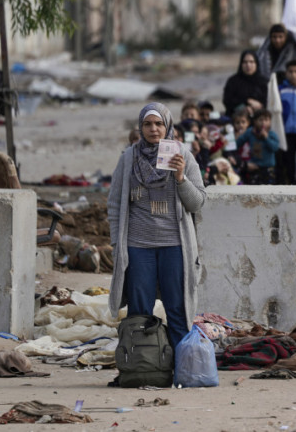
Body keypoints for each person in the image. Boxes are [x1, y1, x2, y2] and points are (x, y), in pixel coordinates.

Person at [107, 103, 207, 353]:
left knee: (177, 307)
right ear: (140, 128)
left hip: (175, 245)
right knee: (140, 310)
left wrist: (180, 177)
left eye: (159, 124)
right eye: (148, 124)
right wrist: (117, 245)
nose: (154, 129)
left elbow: (197, 203)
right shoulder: (128, 158)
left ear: (168, 126)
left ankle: (182, 367)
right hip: (138, 245)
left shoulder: (183, 155)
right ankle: (142, 365)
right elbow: (114, 205)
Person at [236, 109, 280, 185]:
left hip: (268, 169)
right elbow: (237, 143)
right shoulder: (250, 132)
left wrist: (266, 138)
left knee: (269, 190)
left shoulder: (272, 134)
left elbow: (275, 148)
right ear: (255, 121)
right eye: (260, 120)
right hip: (254, 167)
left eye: (266, 120)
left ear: (270, 122)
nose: (263, 123)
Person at [222, 50, 269, 116]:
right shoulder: (233, 81)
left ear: (256, 64)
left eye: (251, 62)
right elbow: (227, 101)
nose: (248, 65)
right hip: (237, 118)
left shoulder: (264, 82)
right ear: (241, 64)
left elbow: (269, 101)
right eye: (245, 62)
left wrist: (260, 106)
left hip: (259, 118)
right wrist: (245, 103)